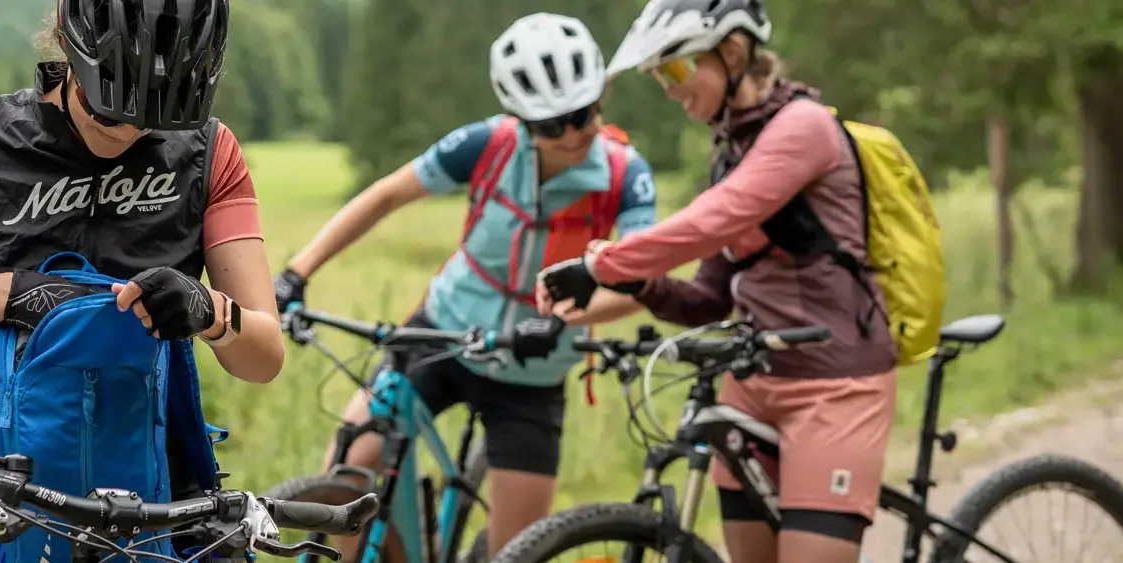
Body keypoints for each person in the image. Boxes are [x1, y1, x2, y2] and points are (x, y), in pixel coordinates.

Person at [0, 0, 283, 559]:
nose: (133, 128)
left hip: (164, 511)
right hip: (1, 504)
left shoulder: (212, 154)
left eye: (161, 113)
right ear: (66, 43)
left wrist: (209, 310)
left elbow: (263, 358)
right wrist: (9, 295)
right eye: (110, 107)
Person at [272, 13, 658, 560]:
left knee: (518, 550)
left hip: (534, 368)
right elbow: (384, 196)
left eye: (585, 112)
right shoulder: (486, 146)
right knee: (355, 459)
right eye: (555, 124)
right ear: (522, 121)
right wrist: (296, 272)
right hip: (443, 331)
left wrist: (564, 319)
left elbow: (644, 281)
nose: (575, 132)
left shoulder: (626, 174)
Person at [538, 1, 899, 562]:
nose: (669, 88)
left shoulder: (803, 128)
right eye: (660, 75)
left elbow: (717, 219)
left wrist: (605, 264)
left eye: (677, 69)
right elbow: (708, 298)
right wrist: (640, 287)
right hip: (752, 385)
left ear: (732, 52)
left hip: (834, 387)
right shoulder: (733, 150)